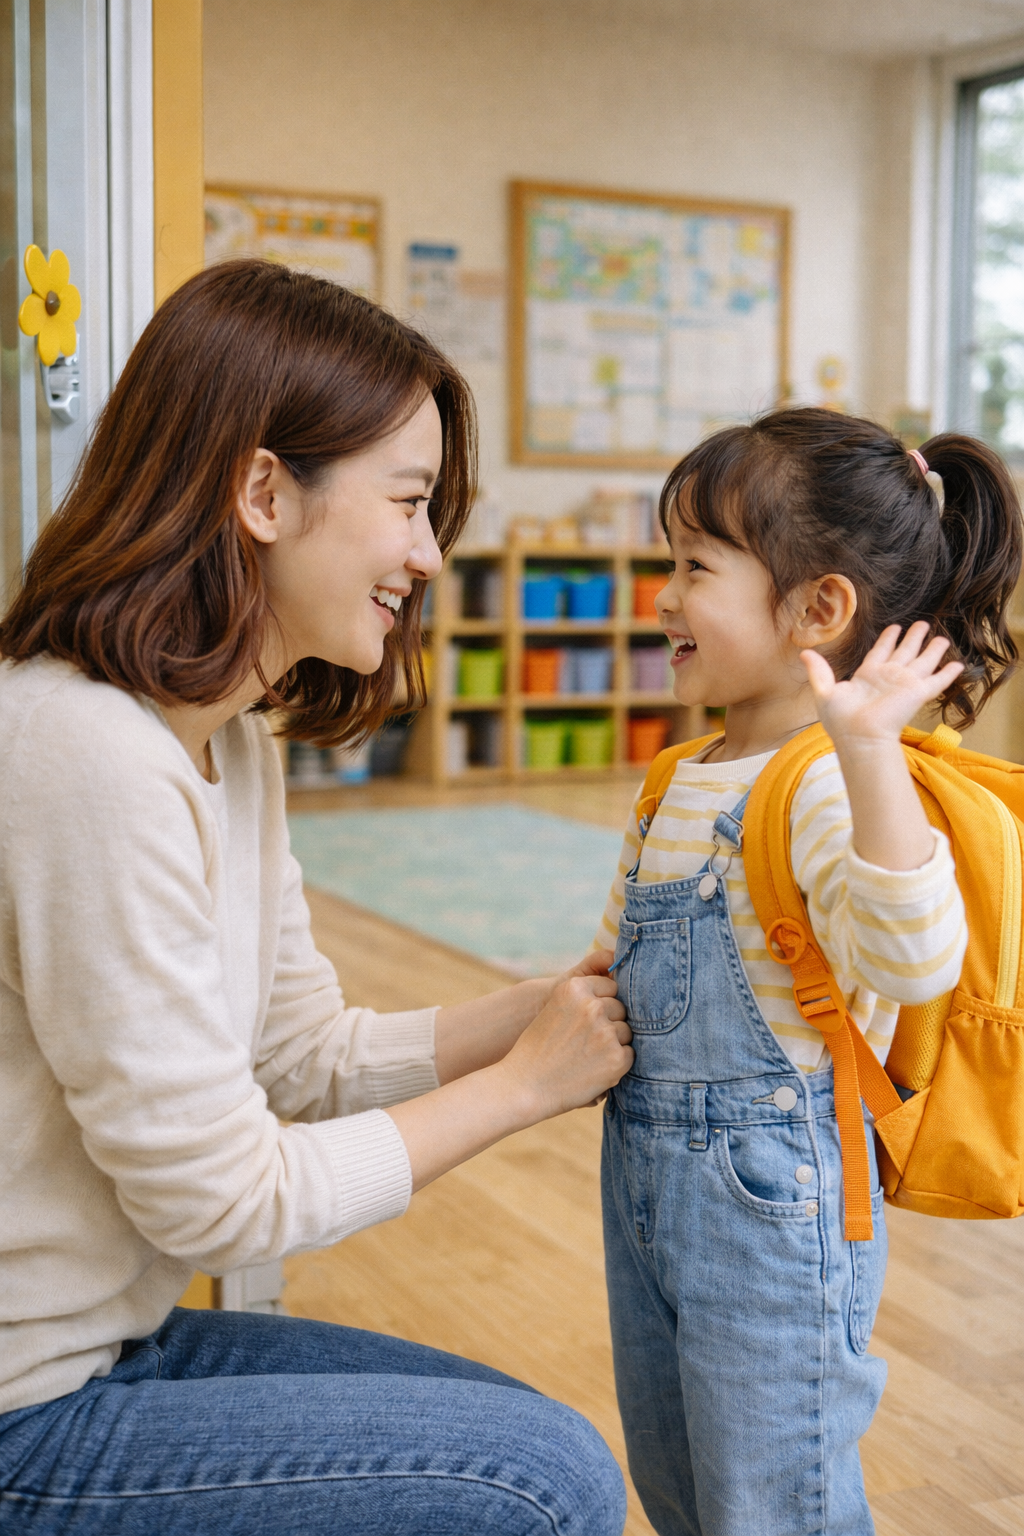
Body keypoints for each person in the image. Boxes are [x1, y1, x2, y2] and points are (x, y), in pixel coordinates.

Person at [0, 260, 633, 1536]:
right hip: (25, 1409)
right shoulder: (81, 751)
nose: (427, 552)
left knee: (540, 1445)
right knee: (542, 1483)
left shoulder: (226, 742)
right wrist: (520, 1090)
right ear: (262, 491)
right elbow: (220, 1202)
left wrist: (538, 1010)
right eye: (407, 502)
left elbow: (301, 1056)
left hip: (103, 1351)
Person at [594, 408, 1022, 1536]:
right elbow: (616, 959)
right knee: (680, 1477)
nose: (663, 596)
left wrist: (871, 751)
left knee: (776, 1502)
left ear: (817, 607)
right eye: (665, 564)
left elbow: (912, 954)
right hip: (643, 1176)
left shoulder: (830, 781)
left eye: (693, 566)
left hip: (771, 1200)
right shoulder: (680, 774)